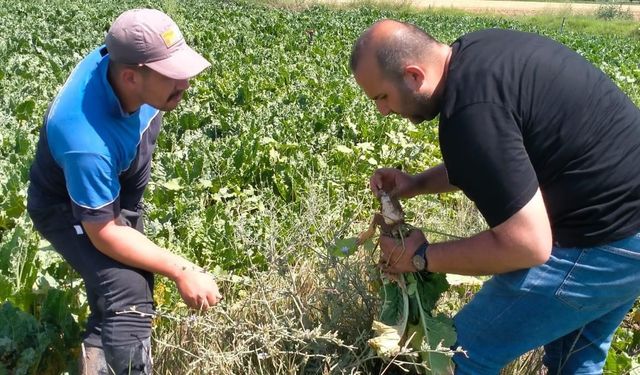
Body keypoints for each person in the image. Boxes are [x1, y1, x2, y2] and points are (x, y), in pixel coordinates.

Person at [350, 19, 640, 374]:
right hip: (628, 232)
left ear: (413, 75)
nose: (382, 111)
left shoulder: (470, 111)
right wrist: (416, 184)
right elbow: (496, 157)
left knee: (457, 357)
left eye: (382, 97)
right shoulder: (477, 55)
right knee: (574, 359)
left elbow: (527, 246)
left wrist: (422, 257)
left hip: (605, 240)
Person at [26, 8, 222, 374]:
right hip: (66, 205)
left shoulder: (140, 81)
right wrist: (183, 270)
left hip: (118, 170)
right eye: (174, 75)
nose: (186, 84)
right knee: (128, 291)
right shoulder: (85, 140)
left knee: (134, 271)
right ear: (131, 78)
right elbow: (104, 233)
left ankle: (98, 359)